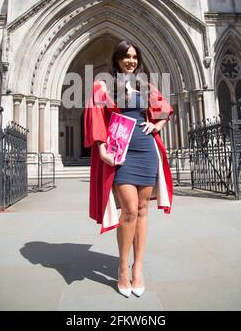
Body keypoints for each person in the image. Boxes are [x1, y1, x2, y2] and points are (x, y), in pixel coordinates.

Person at [84, 40, 174, 298]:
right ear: (117, 60)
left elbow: (166, 110)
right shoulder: (102, 86)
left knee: (143, 210)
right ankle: (123, 267)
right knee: (130, 210)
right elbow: (95, 117)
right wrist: (101, 149)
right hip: (120, 153)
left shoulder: (144, 86)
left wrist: (157, 126)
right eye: (126, 56)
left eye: (134, 57)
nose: (131, 61)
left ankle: (138, 269)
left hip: (146, 150)